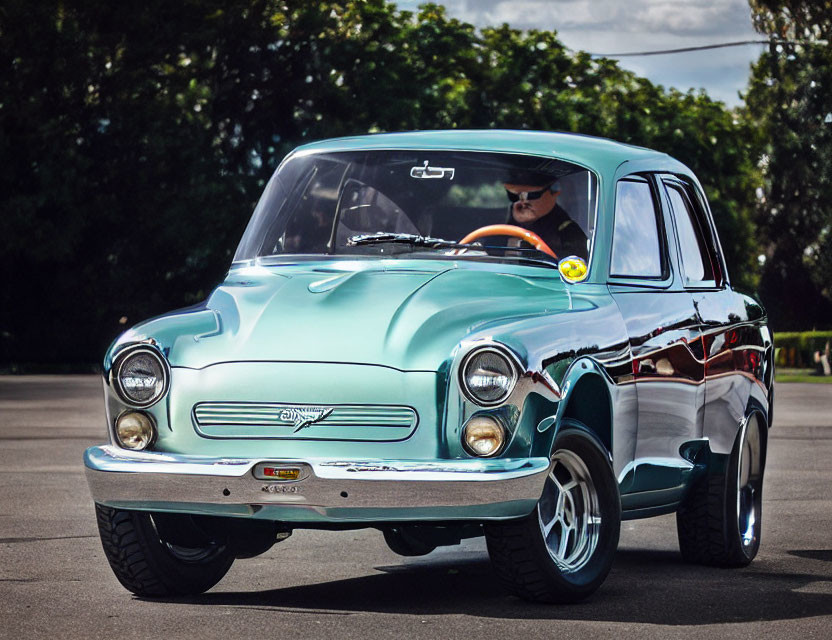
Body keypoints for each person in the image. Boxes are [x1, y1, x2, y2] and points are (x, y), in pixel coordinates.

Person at [503, 178, 588, 260]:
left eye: (532, 195)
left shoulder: (568, 230)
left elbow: (573, 268)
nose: (523, 201)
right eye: (514, 196)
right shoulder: (508, 220)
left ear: (553, 192)